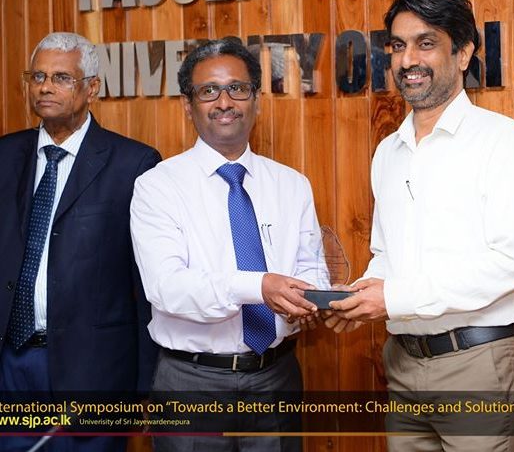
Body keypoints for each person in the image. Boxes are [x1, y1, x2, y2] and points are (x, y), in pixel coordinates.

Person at [326, 0, 514, 452]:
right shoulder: (388, 152)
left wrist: (392, 298)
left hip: (478, 365)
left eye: (425, 43)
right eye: (398, 46)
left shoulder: (503, 141)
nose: (408, 60)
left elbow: (512, 262)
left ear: (463, 53)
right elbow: (387, 254)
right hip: (403, 363)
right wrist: (361, 295)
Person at [130, 38, 322, 452]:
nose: (224, 102)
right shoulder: (157, 187)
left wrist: (311, 298)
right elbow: (167, 287)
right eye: (208, 91)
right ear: (188, 105)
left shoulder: (292, 184)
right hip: (191, 383)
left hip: (276, 378)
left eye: (237, 88)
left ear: (256, 100)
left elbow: (311, 266)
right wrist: (259, 287)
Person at [0, 32, 161, 452]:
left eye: (60, 78)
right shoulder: (5, 155)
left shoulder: (134, 163)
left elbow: (145, 284)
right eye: (37, 76)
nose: (45, 87)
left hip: (93, 371)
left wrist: (147, 384)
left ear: (92, 88)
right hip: (11, 364)